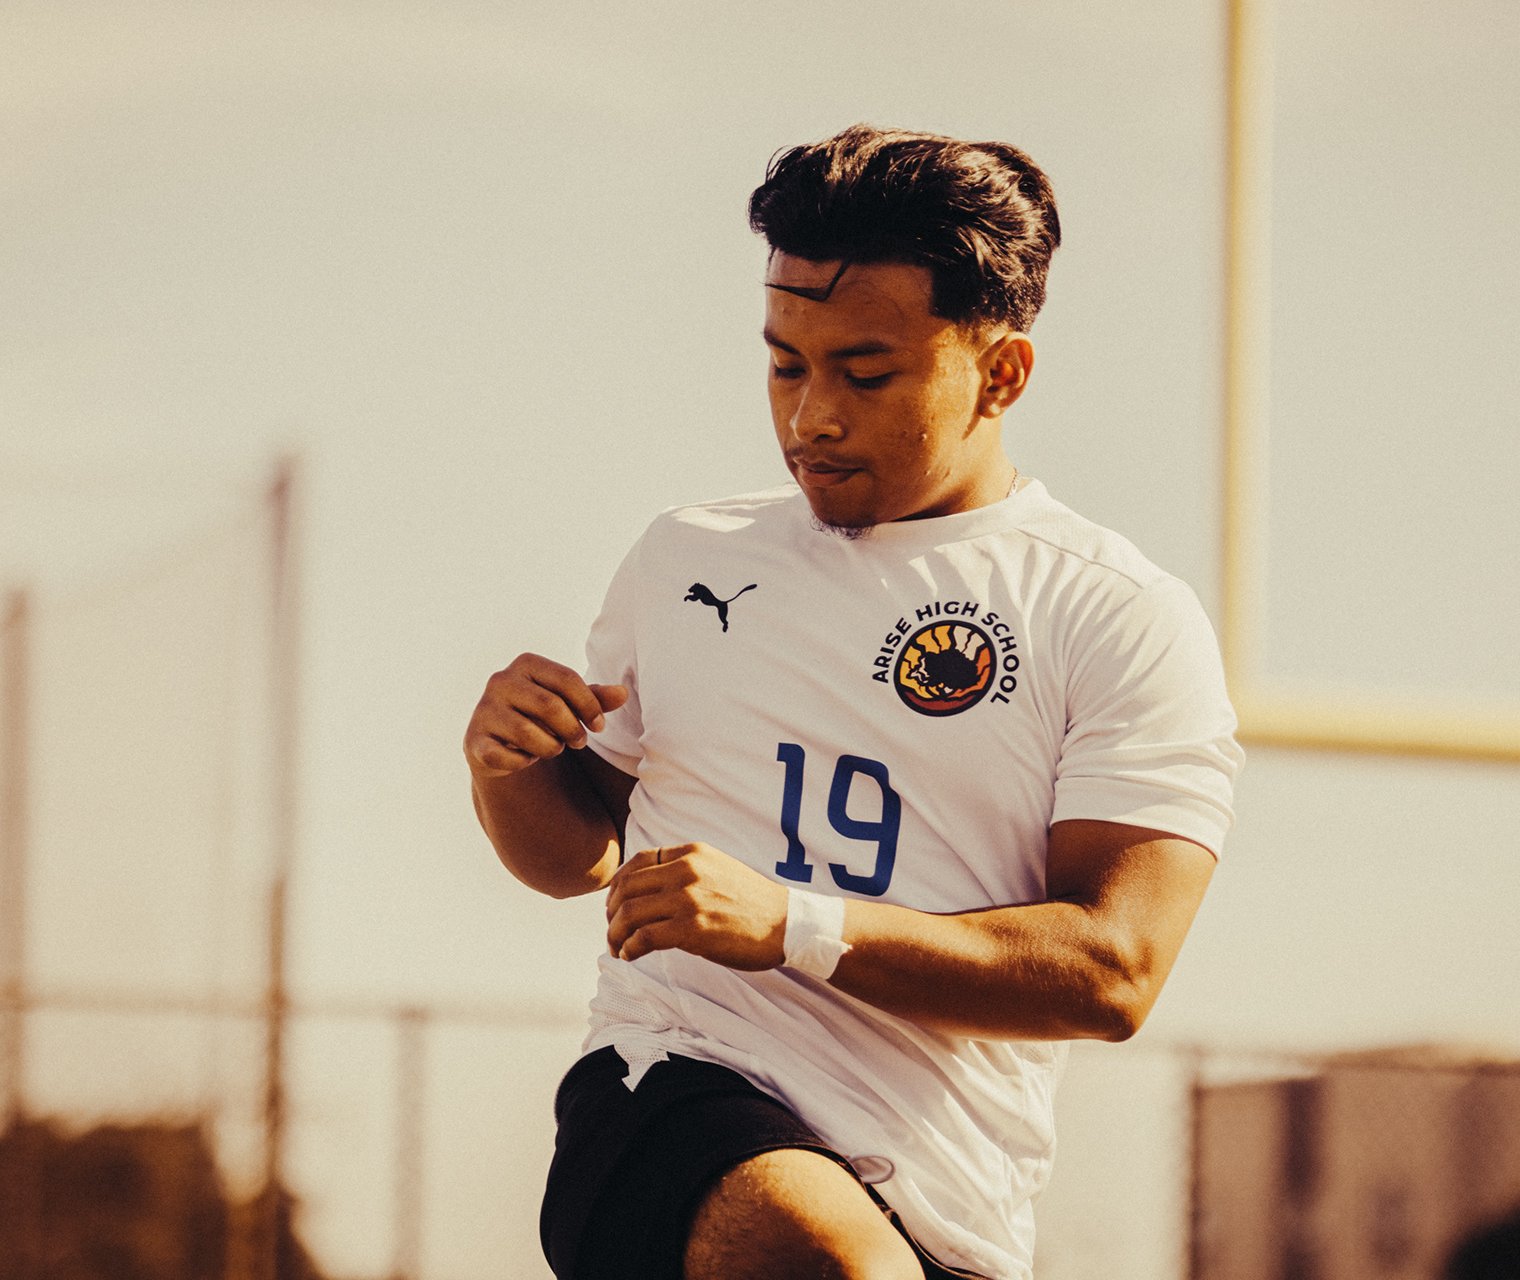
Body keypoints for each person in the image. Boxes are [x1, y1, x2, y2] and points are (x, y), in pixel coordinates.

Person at [464, 124, 1243, 1280]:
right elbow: (581, 855)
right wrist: (509, 765)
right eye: (786, 364)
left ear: (1002, 374)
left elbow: (1112, 966)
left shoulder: (1116, 612)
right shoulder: (687, 557)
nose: (810, 416)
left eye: (864, 374)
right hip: (670, 1083)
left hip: (951, 1200)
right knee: (831, 1258)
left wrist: (796, 924)